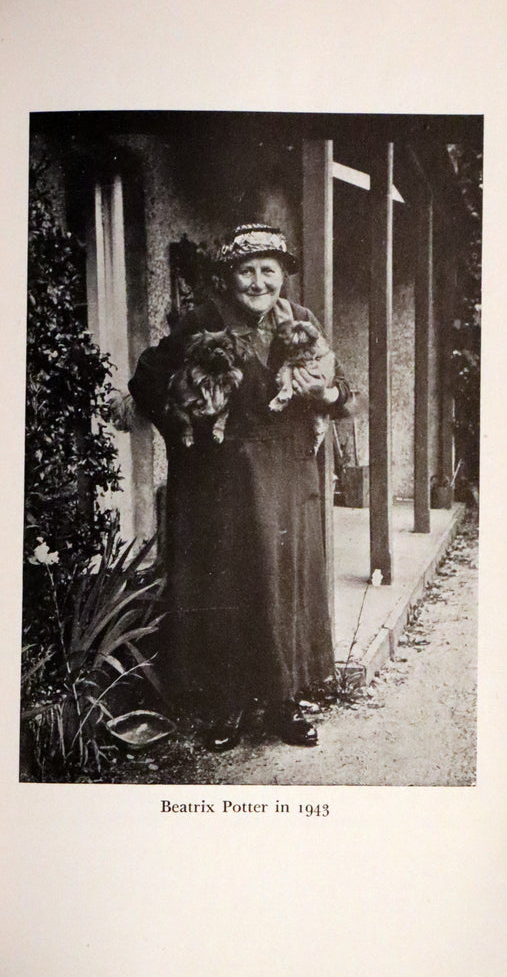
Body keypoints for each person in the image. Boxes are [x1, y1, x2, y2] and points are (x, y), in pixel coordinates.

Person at [129, 224, 360, 751]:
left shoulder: (301, 321)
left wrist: (326, 394)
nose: (258, 283)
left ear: (283, 276)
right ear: (229, 277)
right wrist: (187, 416)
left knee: (284, 585)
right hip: (222, 484)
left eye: (268, 271)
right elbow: (146, 380)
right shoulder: (203, 322)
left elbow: (344, 390)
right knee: (226, 588)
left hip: (288, 480)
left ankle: (284, 702)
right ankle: (225, 705)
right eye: (246, 271)